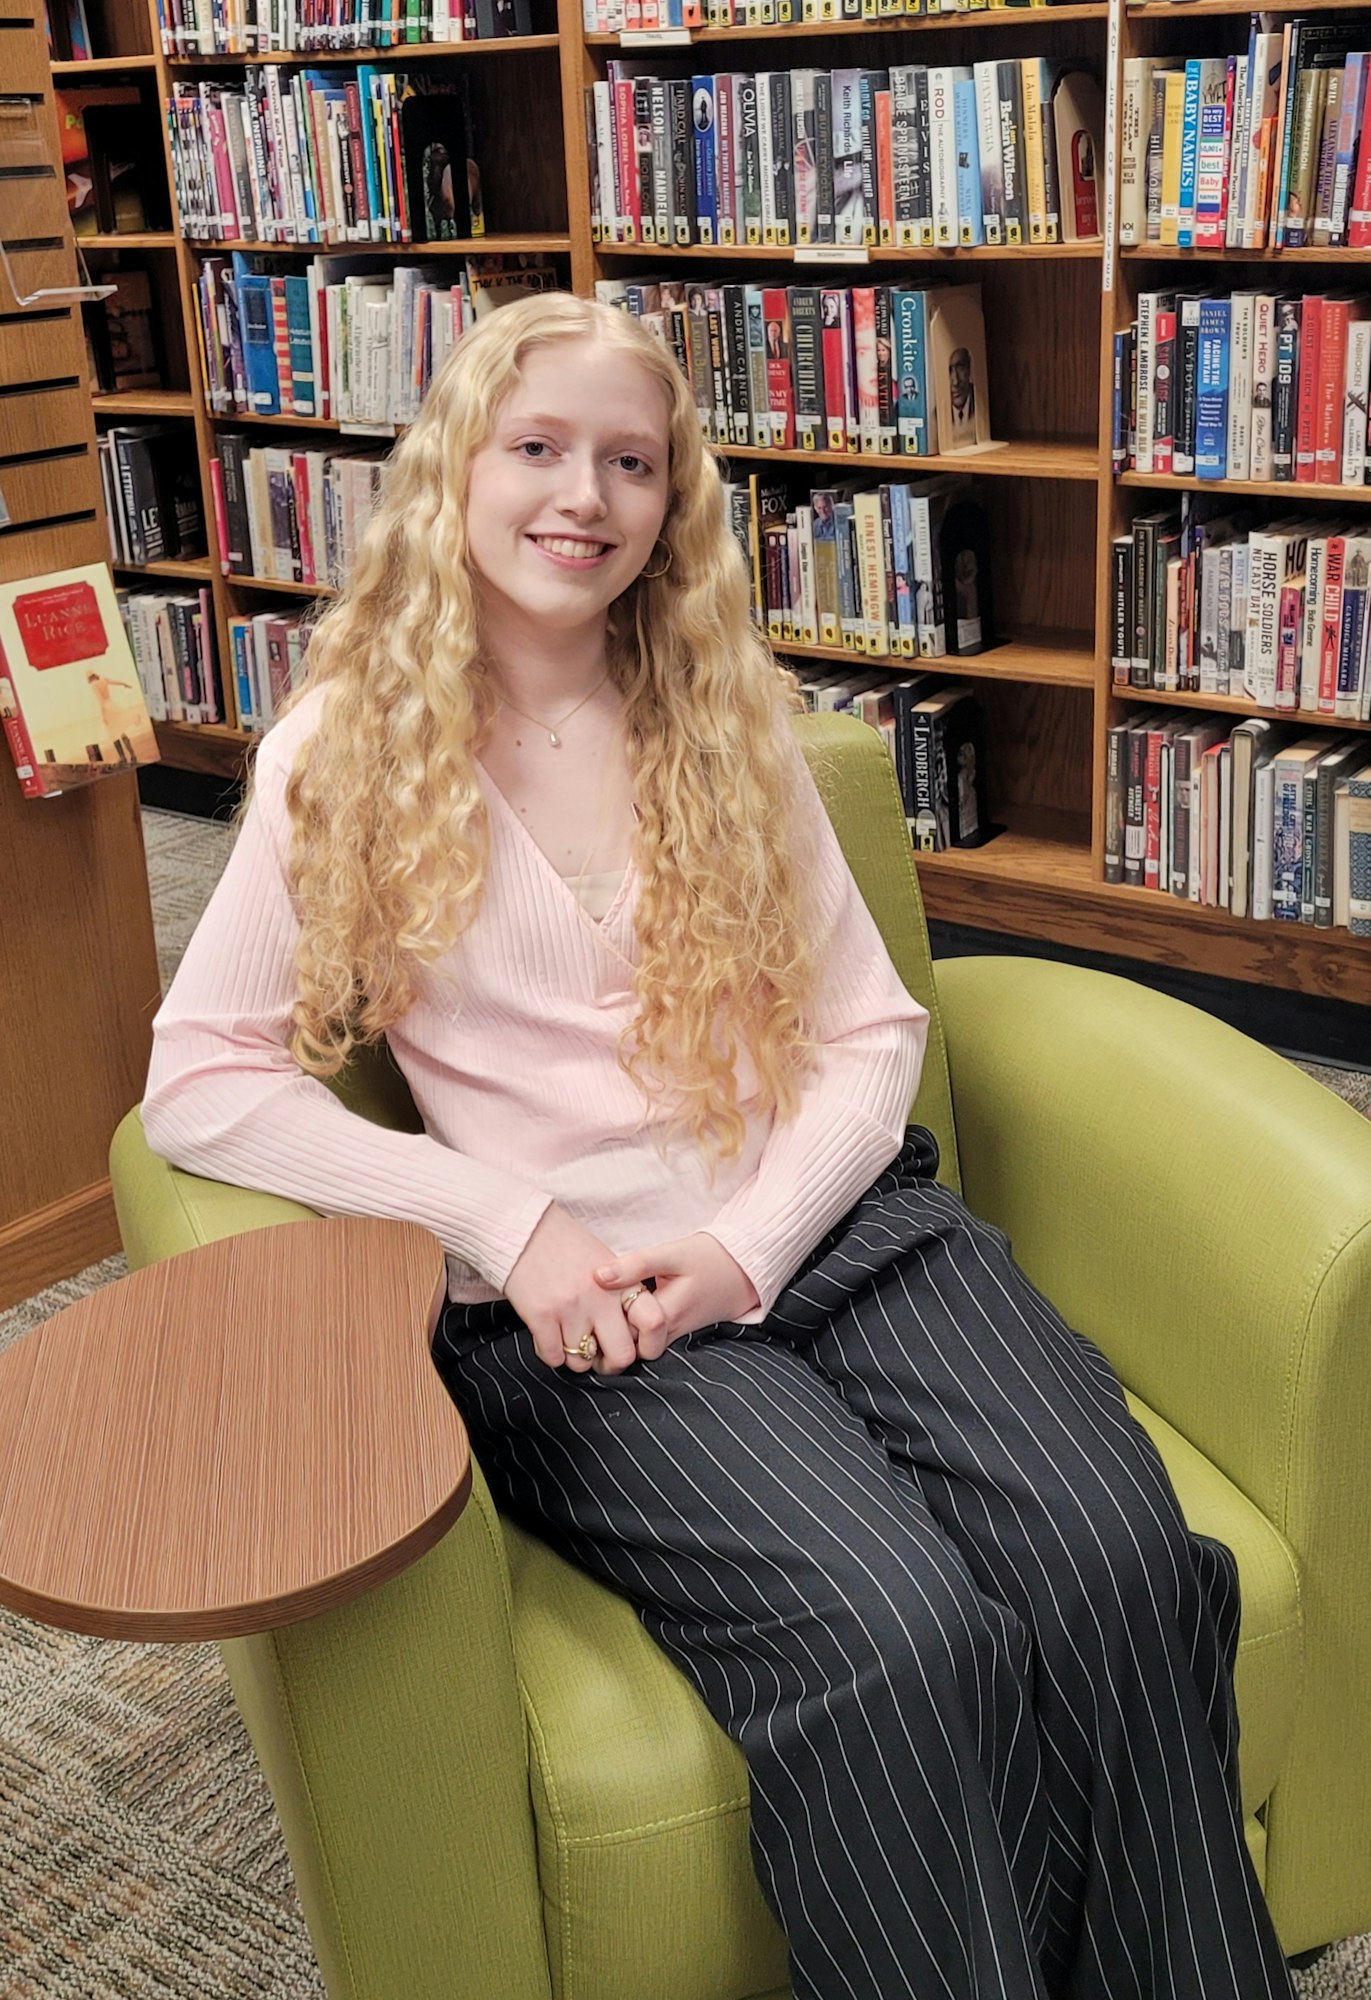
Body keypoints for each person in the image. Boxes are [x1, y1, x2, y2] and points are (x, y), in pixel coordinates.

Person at [141, 294, 1295, 2000]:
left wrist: (756, 1239)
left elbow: (873, 1032)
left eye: (630, 462)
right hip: (587, 1307)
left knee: (1121, 1559)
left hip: (836, 1223)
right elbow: (204, 1081)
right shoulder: (346, 753)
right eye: (538, 449)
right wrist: (499, 1217)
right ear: (455, 465)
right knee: (896, 1637)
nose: (582, 497)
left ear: (671, 501)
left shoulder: (720, 711)